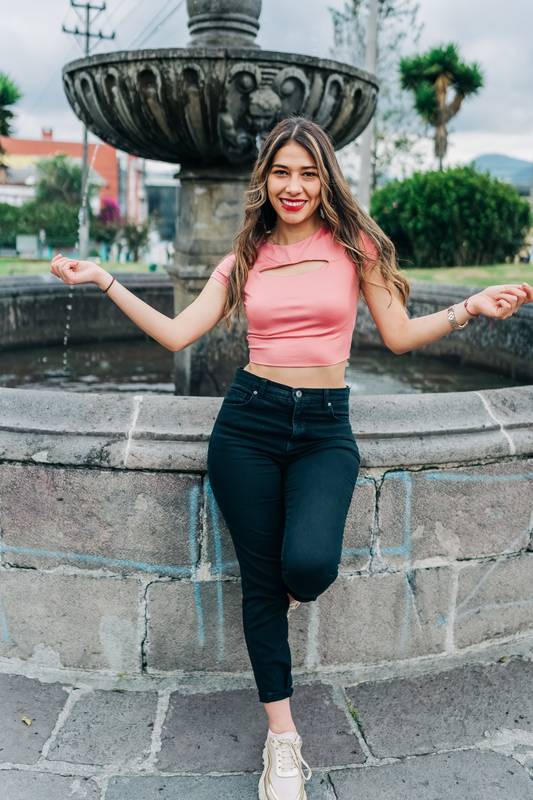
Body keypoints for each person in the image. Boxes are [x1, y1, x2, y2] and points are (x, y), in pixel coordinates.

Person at [50, 116, 532, 800]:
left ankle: (275, 616)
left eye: (308, 172)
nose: (294, 185)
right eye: (282, 172)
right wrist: (105, 280)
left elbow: (395, 335)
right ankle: (283, 739)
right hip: (246, 425)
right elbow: (177, 333)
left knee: (303, 569)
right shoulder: (245, 255)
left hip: (325, 429)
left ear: (324, 177)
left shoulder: (353, 245)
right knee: (259, 586)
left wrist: (469, 308)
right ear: (265, 180)